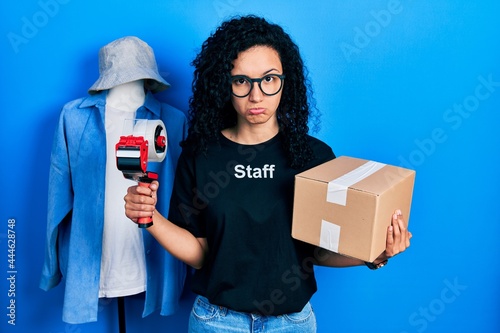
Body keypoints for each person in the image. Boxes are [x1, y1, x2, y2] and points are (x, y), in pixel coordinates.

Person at [124, 16, 411, 332]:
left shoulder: (314, 157)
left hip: (291, 323)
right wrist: (149, 217)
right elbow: (200, 255)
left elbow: (316, 252)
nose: (256, 96)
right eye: (242, 81)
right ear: (225, 84)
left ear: (285, 82)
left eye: (269, 79)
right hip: (216, 322)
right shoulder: (200, 154)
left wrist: (376, 254)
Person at [40, 36, 187, 324]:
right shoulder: (74, 117)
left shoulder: (173, 121)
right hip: (92, 258)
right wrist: (51, 268)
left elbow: (183, 201)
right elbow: (58, 196)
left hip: (151, 258)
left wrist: (191, 267)